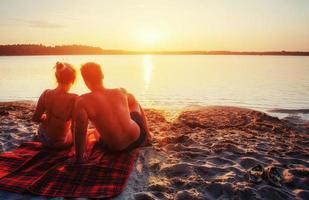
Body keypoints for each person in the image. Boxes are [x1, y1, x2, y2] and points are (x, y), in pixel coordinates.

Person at [74, 62, 151, 163]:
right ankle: (148, 135)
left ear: (85, 81)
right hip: (138, 138)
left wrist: (79, 159)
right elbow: (130, 101)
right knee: (133, 101)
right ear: (102, 76)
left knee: (95, 132)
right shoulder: (119, 92)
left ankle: (146, 134)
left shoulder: (82, 101)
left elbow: (80, 131)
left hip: (117, 148)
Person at [32, 62, 78, 149]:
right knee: (88, 134)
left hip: (42, 136)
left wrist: (45, 117)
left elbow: (35, 118)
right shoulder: (74, 98)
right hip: (58, 142)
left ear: (56, 77)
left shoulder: (46, 93)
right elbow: (74, 128)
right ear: (73, 79)